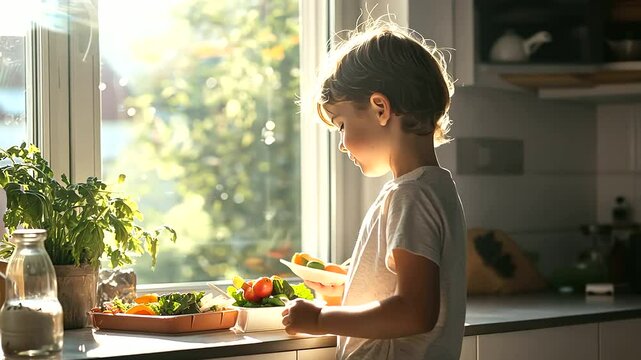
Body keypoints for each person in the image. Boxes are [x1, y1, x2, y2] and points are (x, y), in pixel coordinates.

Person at [280, 18, 467, 360]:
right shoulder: (433, 189)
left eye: (341, 125)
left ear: (380, 109)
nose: (341, 144)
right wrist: (344, 294)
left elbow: (414, 312)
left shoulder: (410, 195)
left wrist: (322, 318)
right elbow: (400, 295)